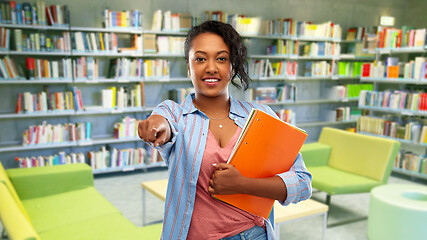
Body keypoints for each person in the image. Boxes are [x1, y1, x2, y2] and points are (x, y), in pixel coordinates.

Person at [138, 20, 312, 240]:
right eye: (200, 59)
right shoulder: (176, 114)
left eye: (221, 58)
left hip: (254, 235)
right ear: (188, 65)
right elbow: (162, 121)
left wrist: (242, 184)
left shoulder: (261, 115)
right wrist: (155, 126)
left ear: (233, 65)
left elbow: (302, 184)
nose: (211, 67)